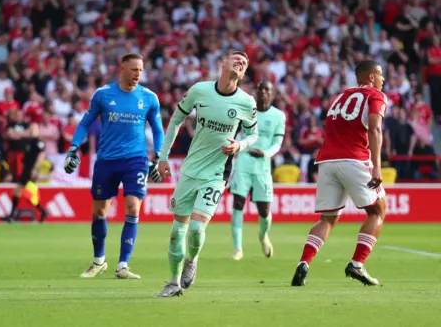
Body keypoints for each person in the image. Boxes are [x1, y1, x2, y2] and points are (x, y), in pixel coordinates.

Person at [155, 51, 258, 297]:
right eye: (236, 58)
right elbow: (176, 119)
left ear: (243, 73)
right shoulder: (199, 91)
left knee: (196, 229)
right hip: (191, 169)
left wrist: (239, 145)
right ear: (222, 63)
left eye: (244, 63)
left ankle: (192, 259)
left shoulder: (247, 102)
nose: (240, 63)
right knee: (177, 230)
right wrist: (163, 157)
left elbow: (253, 135)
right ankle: (172, 283)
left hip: (217, 172)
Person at [64, 53, 164, 280]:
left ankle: (123, 265)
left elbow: (158, 129)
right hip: (107, 160)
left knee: (132, 207)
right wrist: (73, 148)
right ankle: (99, 260)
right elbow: (85, 123)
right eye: (134, 69)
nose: (138, 74)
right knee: (99, 212)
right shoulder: (103, 94)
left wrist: (159, 155)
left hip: (135, 160)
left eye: (141, 70)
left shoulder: (149, 98)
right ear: (122, 68)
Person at [291, 60, 388, 287]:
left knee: (327, 219)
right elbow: (374, 129)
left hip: (326, 160)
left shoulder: (340, 97)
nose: (383, 79)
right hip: (354, 158)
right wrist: (376, 166)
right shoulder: (375, 95)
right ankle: (357, 263)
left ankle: (303, 263)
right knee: (378, 211)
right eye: (380, 74)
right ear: (371, 77)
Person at [230, 80, 286, 261]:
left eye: (267, 90)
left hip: (262, 166)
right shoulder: (247, 112)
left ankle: (263, 235)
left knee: (264, 211)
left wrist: (266, 153)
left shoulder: (278, 116)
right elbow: (233, 133)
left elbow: (277, 143)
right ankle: (238, 248)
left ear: (273, 94)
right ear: (256, 92)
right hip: (243, 163)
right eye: (260, 89)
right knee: (238, 204)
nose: (263, 92)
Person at [2, 111, 48, 222]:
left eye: (34, 129)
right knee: (26, 193)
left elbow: (41, 155)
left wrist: (35, 169)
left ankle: (12, 215)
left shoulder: (37, 142)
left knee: (19, 190)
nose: (32, 131)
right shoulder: (29, 141)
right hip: (27, 168)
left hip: (30, 169)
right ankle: (42, 211)